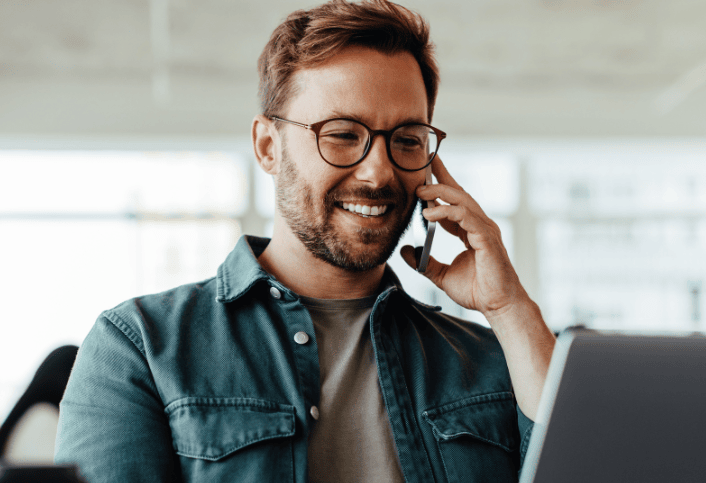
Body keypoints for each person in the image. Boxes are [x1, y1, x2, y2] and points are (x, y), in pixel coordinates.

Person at [55, 0, 556, 481]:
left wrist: (509, 307)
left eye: (406, 140)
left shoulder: (494, 359)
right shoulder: (141, 348)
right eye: (341, 134)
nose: (379, 171)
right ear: (268, 146)